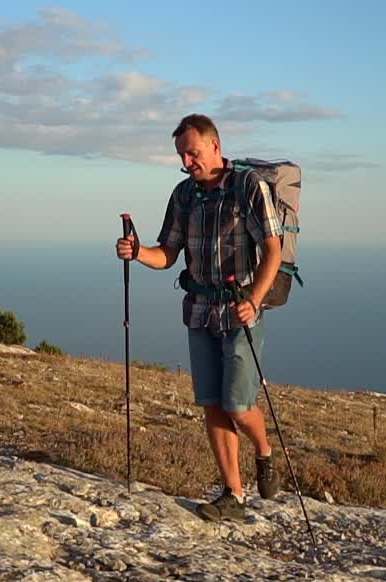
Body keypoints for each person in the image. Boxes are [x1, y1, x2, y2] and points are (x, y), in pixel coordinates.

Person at [115, 114, 284, 523]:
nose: (187, 161)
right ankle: (233, 495)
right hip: (199, 311)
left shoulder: (248, 187)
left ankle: (264, 451)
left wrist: (255, 300)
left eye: (192, 152)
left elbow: (273, 251)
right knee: (211, 404)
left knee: (238, 405)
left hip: (240, 310)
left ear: (214, 145)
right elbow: (167, 253)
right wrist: (137, 253)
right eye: (181, 155)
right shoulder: (183, 195)